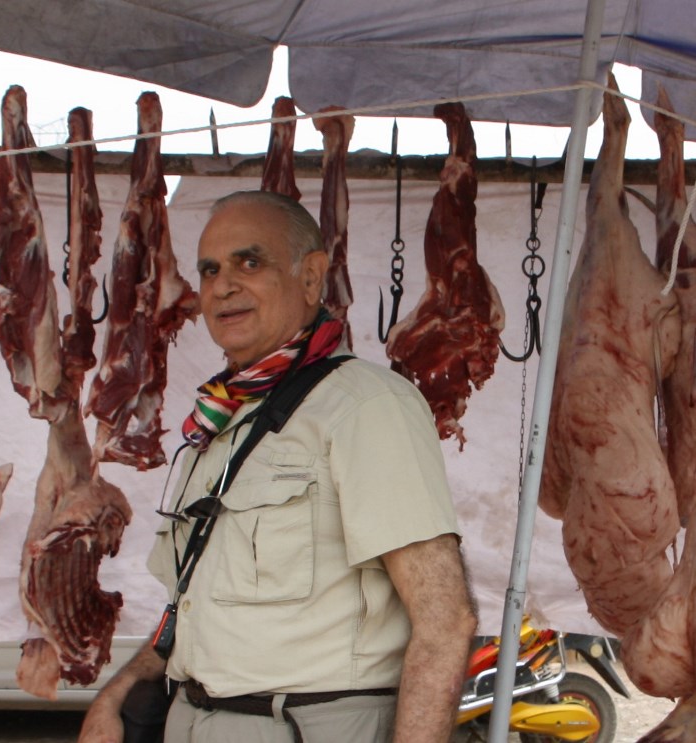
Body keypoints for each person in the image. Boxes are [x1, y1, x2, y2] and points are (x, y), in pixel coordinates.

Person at [78, 190, 477, 743]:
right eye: (210, 269)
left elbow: (445, 621)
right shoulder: (224, 418)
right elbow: (192, 607)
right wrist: (117, 693)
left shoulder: (364, 406)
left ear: (312, 278)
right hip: (194, 720)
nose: (223, 285)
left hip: (303, 726)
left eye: (250, 261)